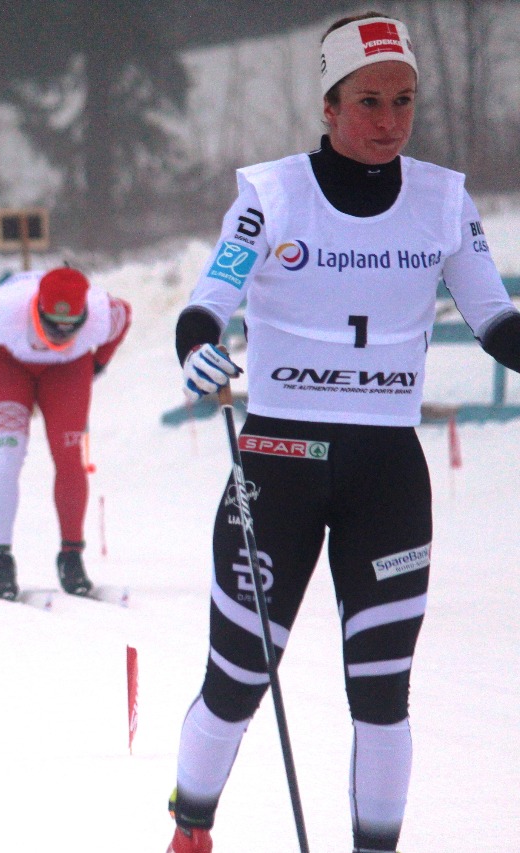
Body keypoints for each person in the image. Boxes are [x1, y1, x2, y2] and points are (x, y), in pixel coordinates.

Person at [165, 13, 520, 853]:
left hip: (385, 472)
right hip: (279, 463)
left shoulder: (443, 199)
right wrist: (197, 351)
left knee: (383, 690)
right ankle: (189, 829)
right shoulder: (273, 193)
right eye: (368, 101)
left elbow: (496, 319)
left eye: (403, 101)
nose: (388, 120)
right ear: (328, 107)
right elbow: (208, 302)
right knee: (238, 679)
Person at [0, 266, 130, 600]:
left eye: (70, 328)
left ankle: (71, 556)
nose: (59, 336)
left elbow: (125, 317)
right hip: (5, 363)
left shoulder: (104, 314)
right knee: (9, 451)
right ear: (36, 311)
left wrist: (98, 363)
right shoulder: (2, 313)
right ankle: (0, 559)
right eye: (52, 327)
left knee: (69, 457)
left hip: (67, 371)